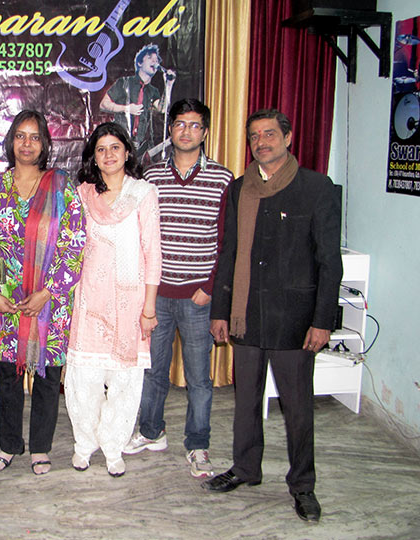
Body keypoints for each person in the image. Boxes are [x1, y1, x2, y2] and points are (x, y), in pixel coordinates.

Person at [202, 109, 343, 524]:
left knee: (297, 408)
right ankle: (246, 468)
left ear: (288, 137)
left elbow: (329, 262)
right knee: (246, 400)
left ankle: (303, 485)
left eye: (268, 134)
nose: (260, 142)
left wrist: (322, 320)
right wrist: (220, 310)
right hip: (246, 315)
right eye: (254, 136)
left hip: (294, 319)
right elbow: (229, 251)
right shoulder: (240, 189)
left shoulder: (316, 187)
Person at [0, 110, 85, 475]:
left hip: (50, 301)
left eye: (35, 137)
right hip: (6, 299)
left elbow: (75, 242)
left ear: (44, 144)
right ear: (11, 141)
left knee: (47, 378)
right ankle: (9, 444)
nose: (27, 144)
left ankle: (40, 448)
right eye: (20, 135)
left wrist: (47, 292)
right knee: (9, 377)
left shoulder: (61, 187)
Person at [125, 99, 233, 479]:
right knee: (152, 370)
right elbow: (139, 236)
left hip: (197, 297)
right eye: (180, 124)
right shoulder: (150, 177)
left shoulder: (222, 179)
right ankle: (151, 431)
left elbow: (228, 241)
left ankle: (198, 444)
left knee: (199, 377)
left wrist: (210, 287)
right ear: (170, 130)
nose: (186, 131)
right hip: (156, 295)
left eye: (195, 125)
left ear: (205, 132)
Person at [64, 122, 161, 477]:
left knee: (125, 381)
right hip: (89, 298)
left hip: (130, 302)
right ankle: (84, 444)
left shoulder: (144, 193)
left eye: (115, 147)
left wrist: (149, 308)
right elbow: (71, 245)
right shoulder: (83, 194)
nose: (108, 155)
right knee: (84, 378)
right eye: (101, 149)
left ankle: (113, 445)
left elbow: (153, 252)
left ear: (127, 152)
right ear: (93, 156)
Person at [100, 43, 175, 164]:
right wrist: (126, 109)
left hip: (140, 146)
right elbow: (104, 104)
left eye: (156, 60)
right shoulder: (124, 82)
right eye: (150, 58)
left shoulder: (153, 91)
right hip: (120, 141)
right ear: (140, 63)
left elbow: (162, 108)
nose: (155, 62)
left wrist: (169, 85)